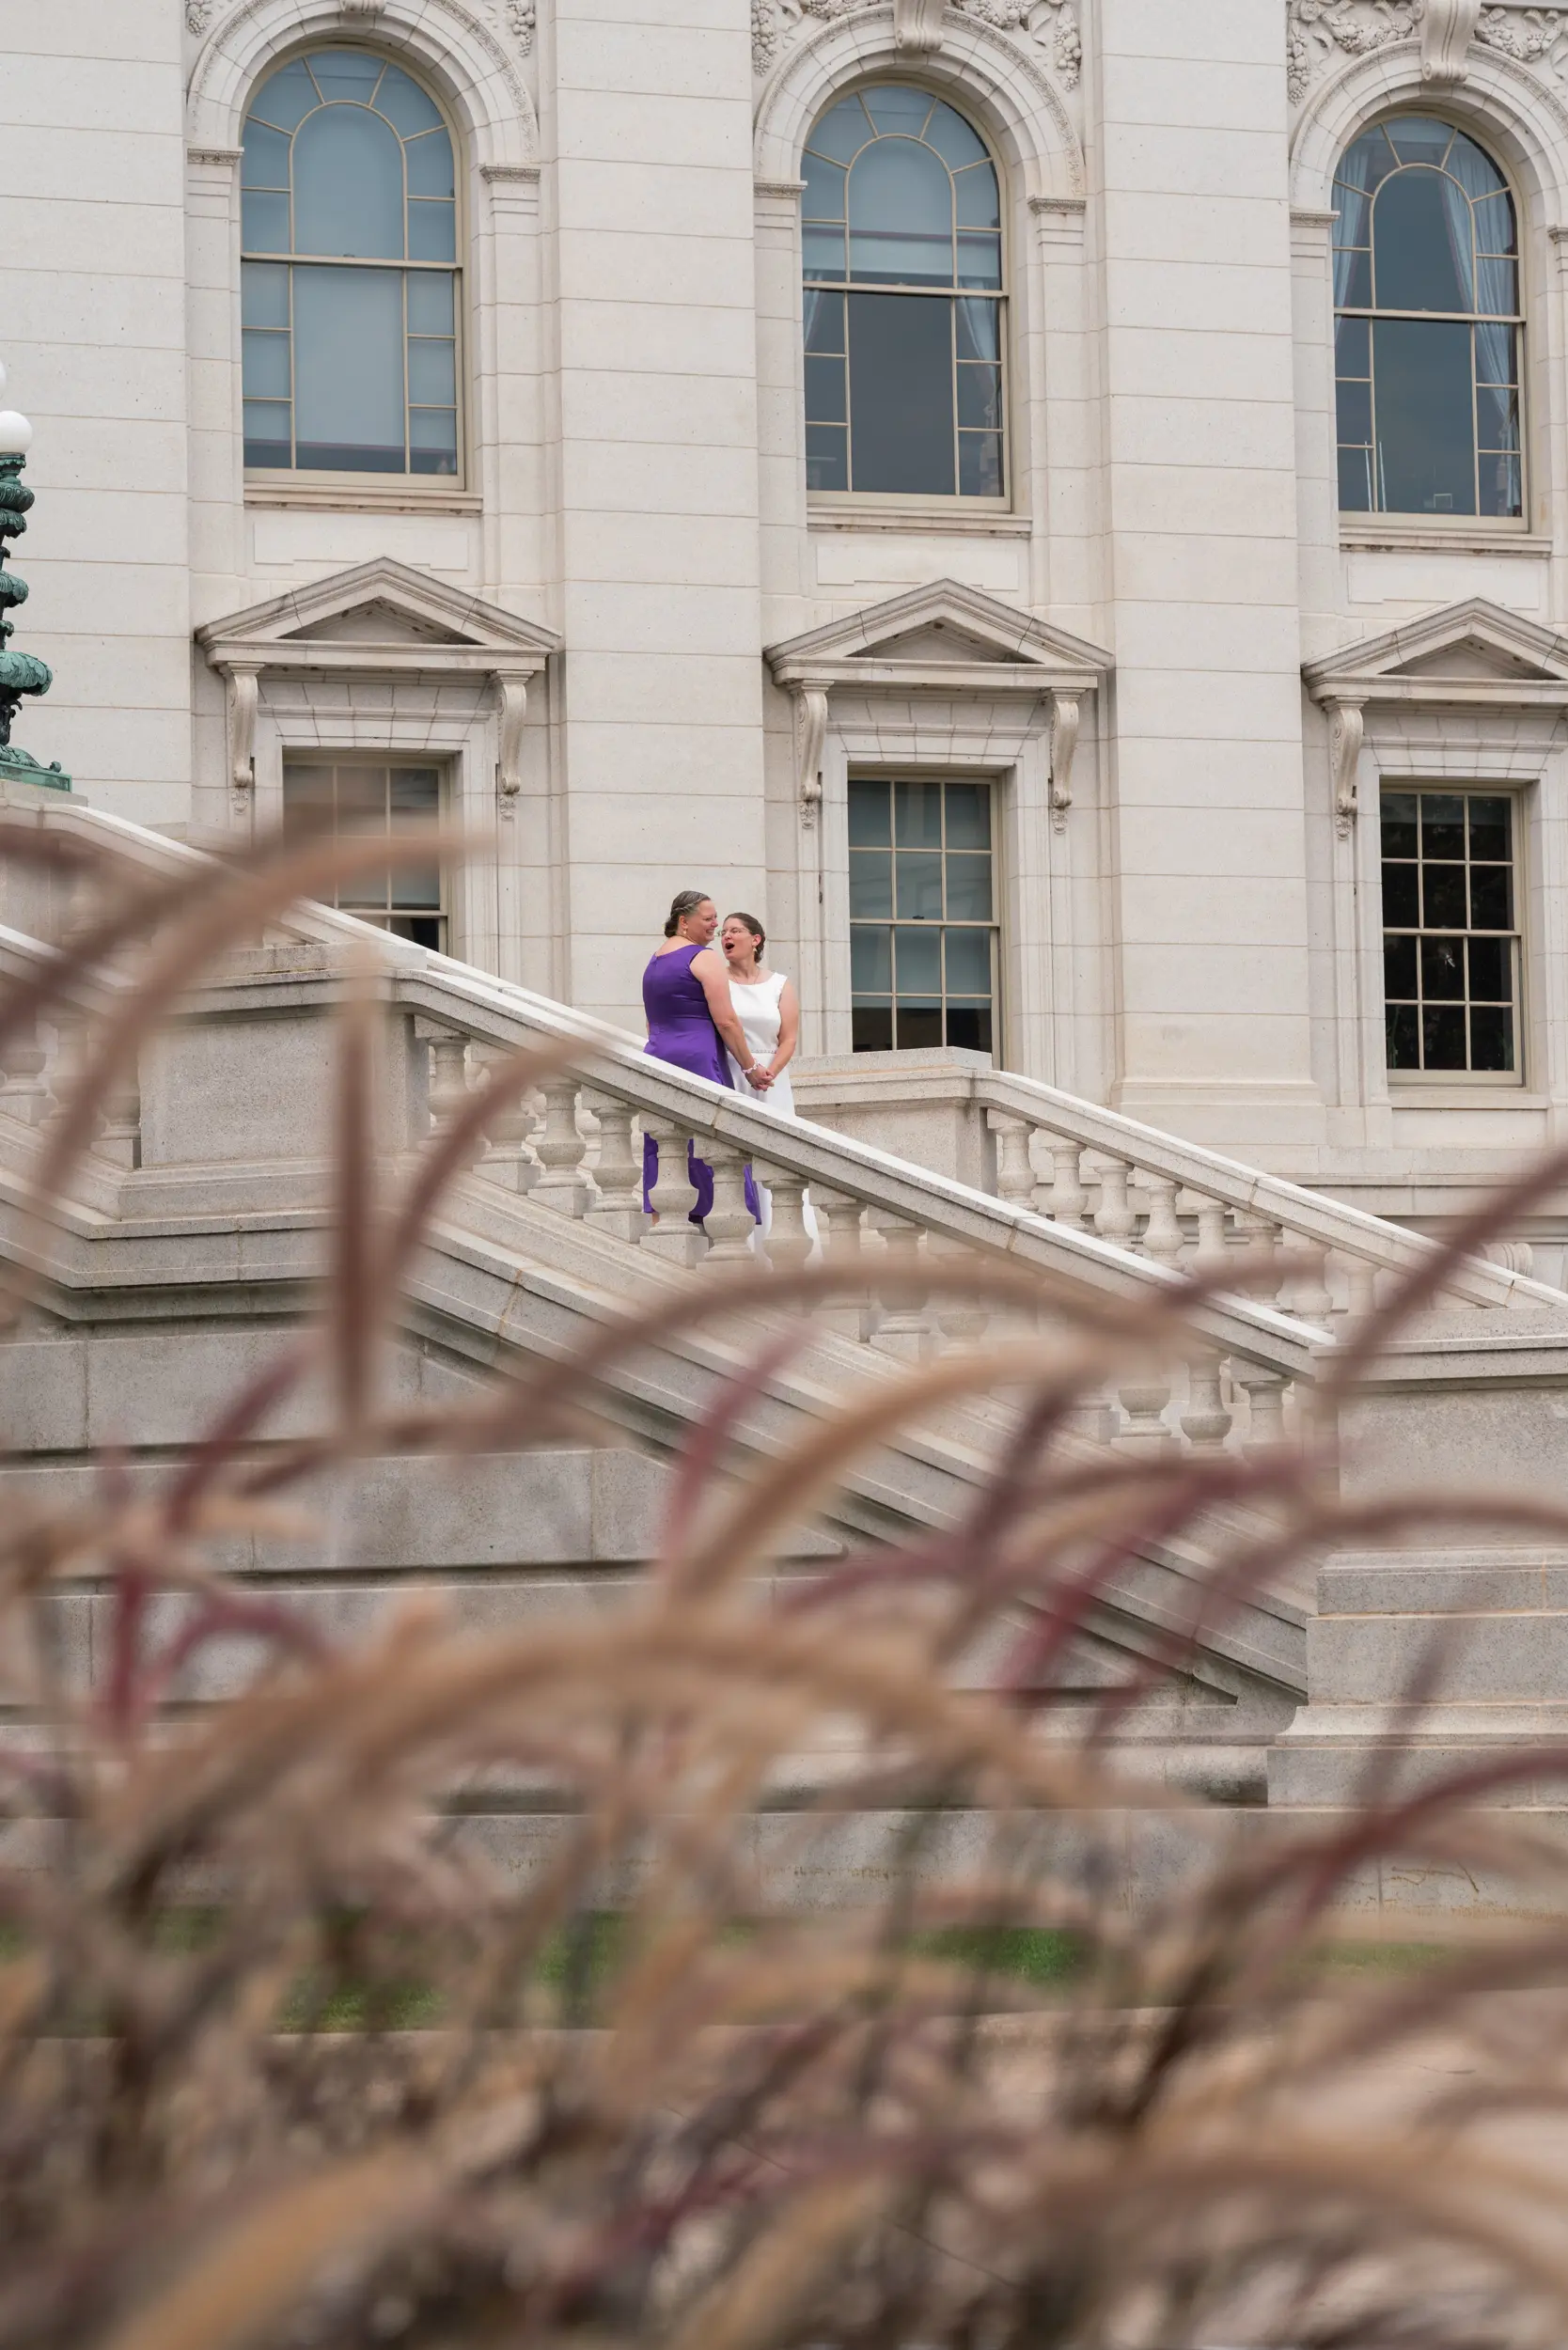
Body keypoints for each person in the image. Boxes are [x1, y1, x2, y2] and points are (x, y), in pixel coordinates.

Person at [641, 889, 768, 1224]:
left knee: (664, 1143)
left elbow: (652, 1020)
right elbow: (726, 1020)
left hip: (657, 1057)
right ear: (684, 921)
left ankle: (665, 1220)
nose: (716, 925)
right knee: (712, 1141)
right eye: (709, 919)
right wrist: (750, 1067)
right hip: (698, 1059)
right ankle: (717, 1218)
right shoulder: (703, 957)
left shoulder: (655, 960)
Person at [718, 910, 820, 1254]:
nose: (725, 937)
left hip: (772, 1079)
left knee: (776, 1155)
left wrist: (770, 1071)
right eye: (722, 932)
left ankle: (787, 1244)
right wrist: (748, 1067)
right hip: (732, 1071)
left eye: (734, 931)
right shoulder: (718, 981)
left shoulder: (780, 983)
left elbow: (789, 1038)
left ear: (755, 940)